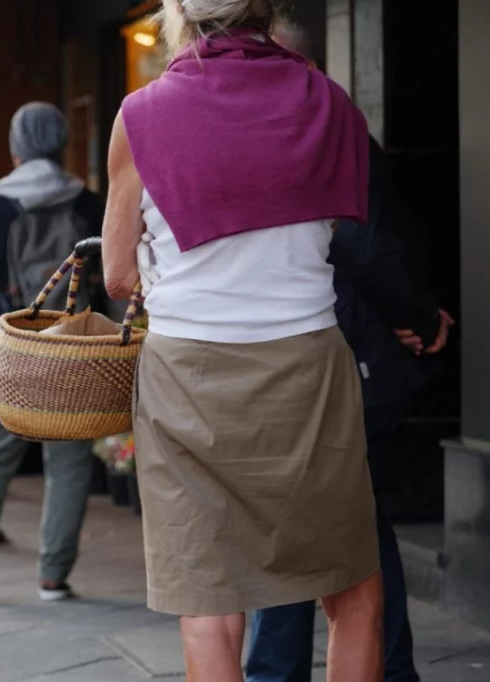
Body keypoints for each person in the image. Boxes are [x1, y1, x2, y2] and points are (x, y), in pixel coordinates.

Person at [102, 1, 383, 680]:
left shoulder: (140, 115)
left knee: (208, 602)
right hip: (308, 363)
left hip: (187, 372)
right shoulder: (329, 100)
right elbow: (355, 226)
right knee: (354, 592)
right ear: (265, 10)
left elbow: (115, 274)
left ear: (181, 18)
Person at [245, 21, 454, 682]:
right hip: (345, 352)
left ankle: (282, 672)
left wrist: (410, 316)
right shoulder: (332, 130)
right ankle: (387, 669)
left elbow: (360, 246)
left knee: (301, 523)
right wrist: (414, 315)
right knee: (356, 518)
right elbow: (369, 246)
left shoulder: (263, 136)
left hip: (296, 354)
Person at [0, 102, 108, 605]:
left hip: (13, 352)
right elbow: (113, 281)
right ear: (62, 144)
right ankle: (54, 575)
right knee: (69, 464)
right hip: (77, 353)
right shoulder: (91, 203)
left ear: (14, 147)